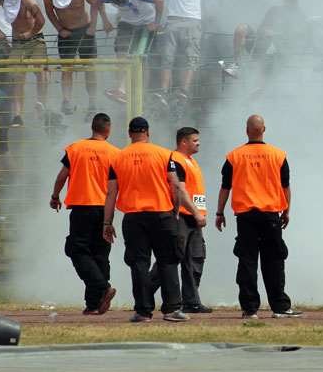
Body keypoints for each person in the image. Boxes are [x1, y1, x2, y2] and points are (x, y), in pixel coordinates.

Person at [102, 115, 203, 323]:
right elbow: (175, 186)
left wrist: (107, 222)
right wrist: (176, 211)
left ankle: (143, 311)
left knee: (139, 264)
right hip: (162, 215)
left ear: (130, 134)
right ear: (148, 133)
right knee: (168, 261)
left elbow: (111, 193)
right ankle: (171, 309)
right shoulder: (165, 155)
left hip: (133, 217)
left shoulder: (118, 158)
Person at [214, 114, 302, 319]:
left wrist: (220, 212)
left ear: (247, 131)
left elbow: (225, 187)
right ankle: (280, 307)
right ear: (264, 129)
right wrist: (286, 210)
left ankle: (249, 309)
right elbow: (285, 186)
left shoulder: (233, 157)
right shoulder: (278, 156)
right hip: (270, 215)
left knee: (247, 261)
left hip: (245, 217)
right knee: (274, 260)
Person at [49, 112, 120, 315]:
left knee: (77, 250)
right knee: (100, 254)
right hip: (104, 209)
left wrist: (55, 196)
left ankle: (101, 287)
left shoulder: (75, 148)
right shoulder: (115, 153)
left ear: (92, 127)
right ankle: (94, 304)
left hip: (82, 207)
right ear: (108, 130)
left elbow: (62, 176)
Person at [148, 126, 211, 314]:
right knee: (170, 258)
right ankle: (145, 293)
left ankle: (191, 301)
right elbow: (180, 191)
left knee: (195, 259)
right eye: (195, 140)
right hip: (182, 216)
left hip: (194, 217)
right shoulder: (176, 159)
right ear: (184, 141)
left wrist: (199, 214)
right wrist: (196, 213)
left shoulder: (191, 161)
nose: (199, 143)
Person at [42, 0, 99, 115]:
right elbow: (49, 11)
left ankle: (92, 103)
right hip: (66, 32)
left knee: (88, 66)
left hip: (84, 29)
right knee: (66, 67)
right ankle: (66, 100)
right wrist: (60, 30)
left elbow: (95, 3)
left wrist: (93, 27)